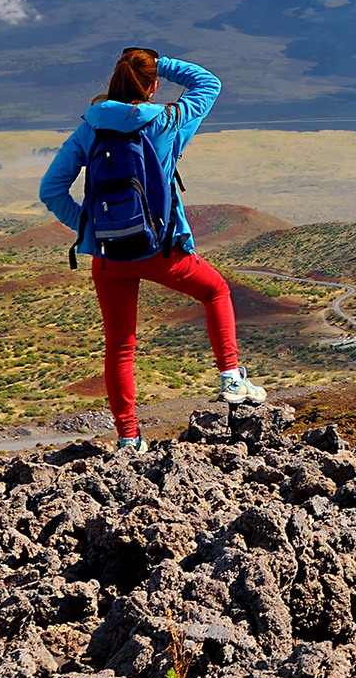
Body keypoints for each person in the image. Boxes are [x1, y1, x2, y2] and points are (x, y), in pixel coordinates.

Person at [38, 46, 265, 453]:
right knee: (215, 291)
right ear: (154, 85)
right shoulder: (167, 120)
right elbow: (208, 82)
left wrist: (91, 231)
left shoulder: (89, 127)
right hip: (159, 249)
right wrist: (161, 64)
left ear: (115, 80)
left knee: (120, 346)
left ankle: (128, 438)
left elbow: (51, 189)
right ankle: (231, 377)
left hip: (108, 257)